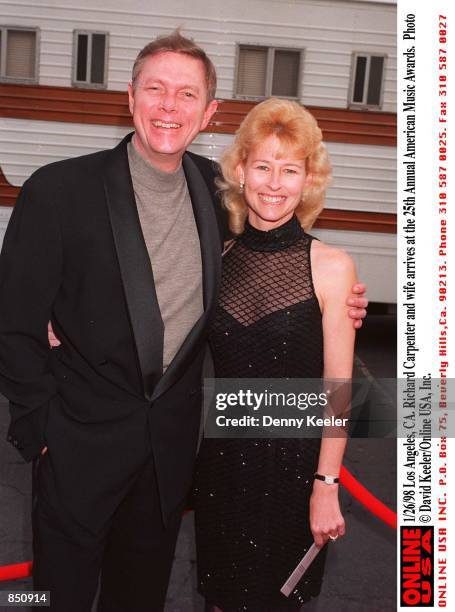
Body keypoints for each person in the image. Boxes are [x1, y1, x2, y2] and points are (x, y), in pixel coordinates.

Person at [0, 31, 366, 612]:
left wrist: (341, 302)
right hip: (75, 446)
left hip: (170, 458)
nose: (169, 107)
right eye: (156, 89)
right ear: (130, 96)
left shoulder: (220, 196)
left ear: (209, 112)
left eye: (187, 94)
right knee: (49, 597)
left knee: (141, 598)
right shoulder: (56, 191)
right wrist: (41, 428)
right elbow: (13, 323)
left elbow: (276, 267)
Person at [192, 98, 356, 611]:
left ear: (309, 181)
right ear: (240, 171)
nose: (274, 182)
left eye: (290, 170)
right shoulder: (215, 259)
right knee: (219, 600)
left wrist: (326, 485)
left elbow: (338, 393)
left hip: (294, 471)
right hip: (222, 467)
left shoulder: (331, 267)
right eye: (263, 166)